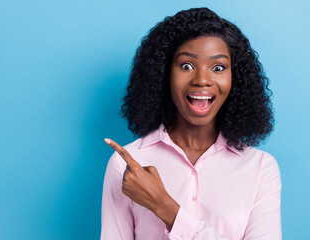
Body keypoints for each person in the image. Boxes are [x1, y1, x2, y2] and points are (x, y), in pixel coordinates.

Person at [101, 7, 281, 240]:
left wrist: (165, 207)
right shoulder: (127, 166)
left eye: (218, 68)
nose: (202, 80)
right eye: (186, 66)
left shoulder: (260, 169)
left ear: (234, 78)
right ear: (164, 73)